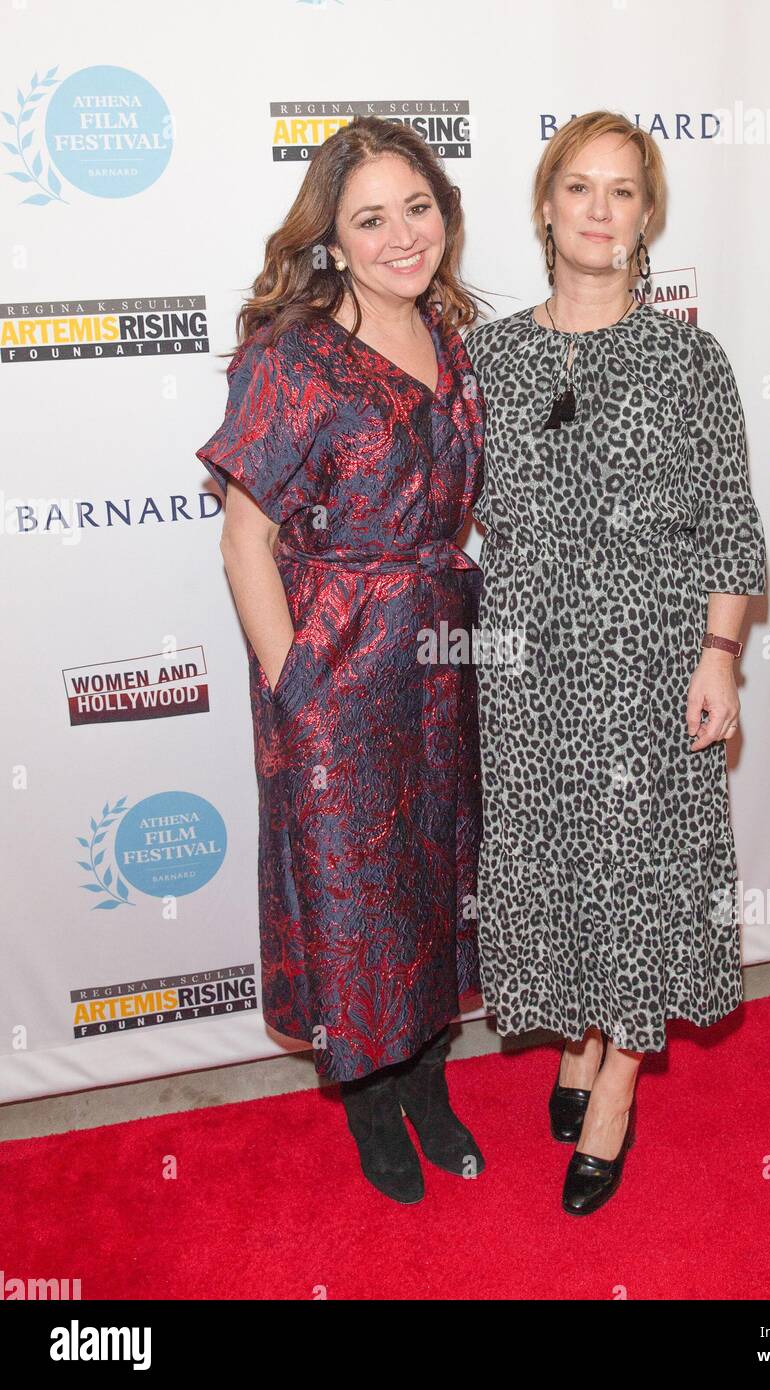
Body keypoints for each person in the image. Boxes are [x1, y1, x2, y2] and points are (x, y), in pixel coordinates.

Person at [464, 110, 768, 1217]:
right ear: (546, 205)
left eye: (623, 191)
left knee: (638, 870)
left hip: (651, 661)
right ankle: (583, 1036)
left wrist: (722, 654)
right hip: (533, 671)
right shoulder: (488, 357)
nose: (600, 209)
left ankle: (615, 1088)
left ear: (648, 216)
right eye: (580, 188)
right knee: (563, 860)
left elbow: (733, 529)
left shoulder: (690, 358)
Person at [196, 116, 487, 1205]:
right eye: (371, 217)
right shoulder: (294, 356)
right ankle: (369, 1098)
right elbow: (242, 536)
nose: (401, 234)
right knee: (353, 892)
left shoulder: (450, 336)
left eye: (419, 207)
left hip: (441, 647)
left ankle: (425, 1081)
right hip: (337, 658)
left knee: (430, 871)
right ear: (334, 237)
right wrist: (294, 685)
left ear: (444, 215)